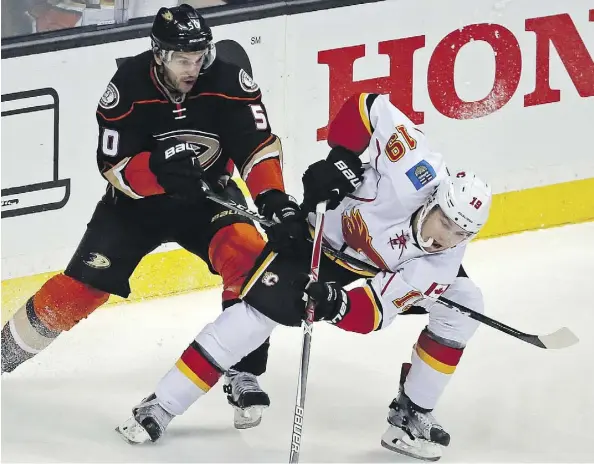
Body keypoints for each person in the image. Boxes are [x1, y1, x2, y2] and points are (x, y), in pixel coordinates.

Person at [116, 92, 491, 461]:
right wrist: (342, 159)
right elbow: (366, 106)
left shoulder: (439, 264)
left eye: (460, 234)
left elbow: (373, 312)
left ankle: (410, 417)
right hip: (320, 233)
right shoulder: (418, 168)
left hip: (371, 266)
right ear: (434, 200)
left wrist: (335, 304)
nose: (445, 237)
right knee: (254, 317)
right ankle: (162, 405)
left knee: (464, 304)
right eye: (445, 221)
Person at [1, 4, 307, 430]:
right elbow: (113, 168)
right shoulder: (126, 86)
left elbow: (256, 144)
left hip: (208, 196)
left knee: (251, 261)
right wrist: (158, 172)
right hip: (136, 207)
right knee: (80, 291)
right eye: (183, 59)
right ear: (158, 53)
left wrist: (273, 197)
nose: (194, 68)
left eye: (199, 57)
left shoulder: (228, 77)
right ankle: (4, 354)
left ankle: (242, 370)